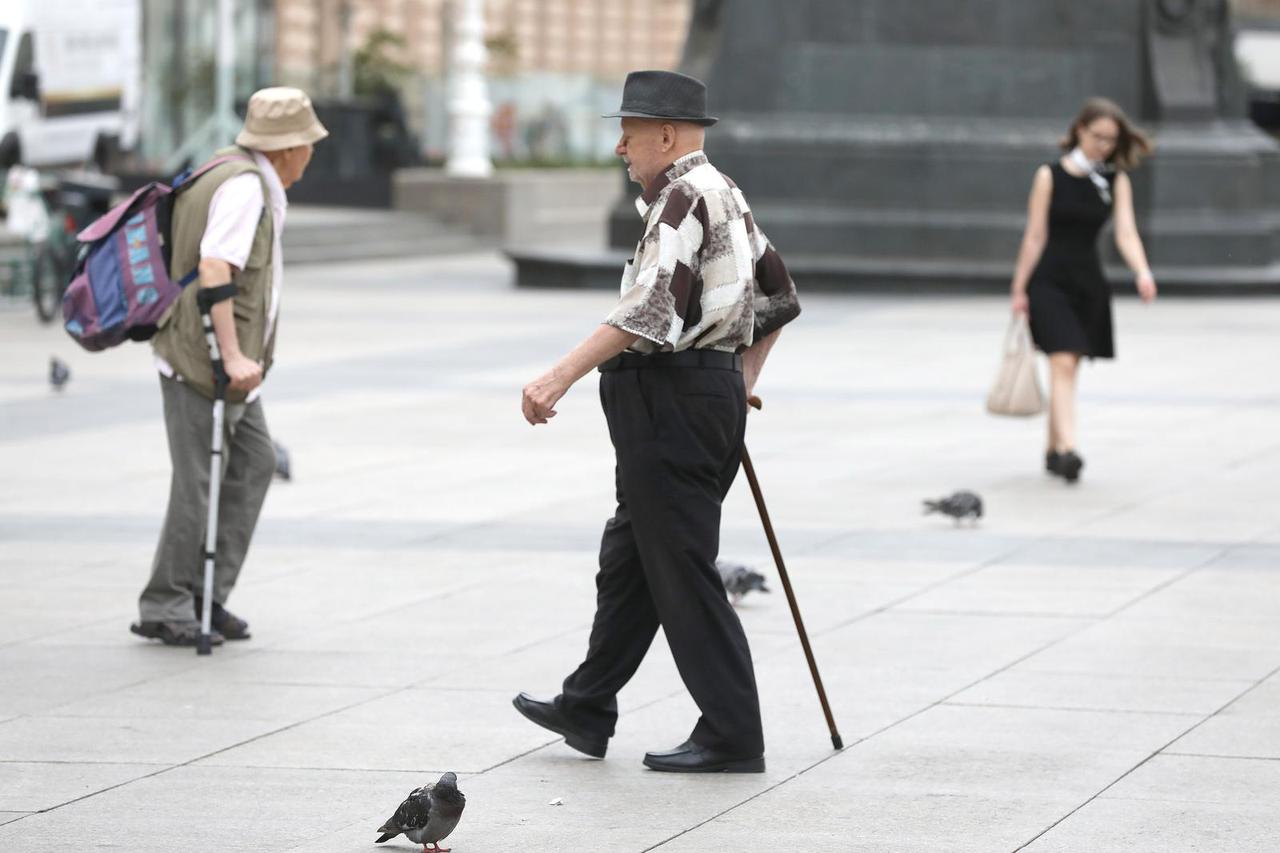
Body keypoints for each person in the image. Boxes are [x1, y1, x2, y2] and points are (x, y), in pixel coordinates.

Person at [513, 70, 800, 773]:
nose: (621, 146)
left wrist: (558, 376)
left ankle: (733, 732)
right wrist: (741, 381)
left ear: (666, 136)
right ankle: (588, 703)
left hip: (670, 402)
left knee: (682, 570)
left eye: (630, 133)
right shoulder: (725, 191)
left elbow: (647, 313)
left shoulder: (679, 198)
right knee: (633, 559)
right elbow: (779, 296)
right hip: (696, 400)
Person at [130, 87, 327, 646]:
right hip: (207, 361)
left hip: (224, 364)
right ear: (289, 148)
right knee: (196, 482)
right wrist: (236, 354)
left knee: (255, 461)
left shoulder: (235, 171)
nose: (310, 156)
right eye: (308, 145)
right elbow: (216, 268)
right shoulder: (243, 186)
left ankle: (205, 593)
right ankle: (167, 603)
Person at [1009, 97, 1156, 483]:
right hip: (1047, 280)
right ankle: (1070, 449)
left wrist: (1142, 271)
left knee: (1068, 363)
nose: (1103, 146)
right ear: (1079, 130)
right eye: (1097, 136)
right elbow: (1035, 235)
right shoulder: (1049, 175)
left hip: (1087, 282)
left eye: (1111, 140)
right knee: (1062, 359)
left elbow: (1125, 231)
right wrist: (1019, 287)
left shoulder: (1114, 180)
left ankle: (1053, 449)